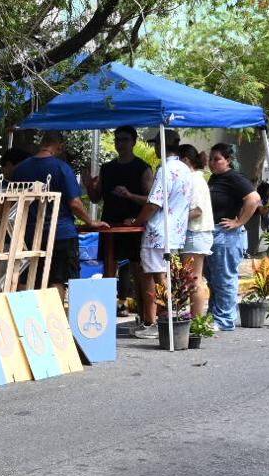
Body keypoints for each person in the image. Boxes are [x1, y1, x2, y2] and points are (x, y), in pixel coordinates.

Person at [10, 131, 107, 294]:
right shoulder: (62, 168)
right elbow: (75, 203)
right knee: (57, 280)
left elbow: (13, 201)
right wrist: (91, 221)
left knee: (28, 279)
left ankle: (29, 317)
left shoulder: (20, 169)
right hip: (60, 234)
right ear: (60, 146)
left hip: (29, 233)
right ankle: (55, 319)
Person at [128, 130, 192, 332]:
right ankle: (162, 319)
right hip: (175, 232)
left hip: (158, 232)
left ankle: (154, 321)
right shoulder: (184, 169)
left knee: (153, 276)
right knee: (162, 276)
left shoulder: (165, 169)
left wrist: (136, 221)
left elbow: (154, 203)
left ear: (159, 145)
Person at [85, 126, 154, 306]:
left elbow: (152, 200)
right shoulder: (107, 168)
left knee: (138, 270)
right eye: (117, 140)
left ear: (134, 142)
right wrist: (88, 186)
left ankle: (144, 316)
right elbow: (95, 198)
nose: (120, 144)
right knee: (109, 269)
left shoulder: (143, 168)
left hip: (134, 225)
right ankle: (107, 314)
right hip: (109, 225)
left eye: (124, 140)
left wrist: (130, 195)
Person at [206, 142, 261, 332]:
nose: (212, 163)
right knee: (213, 278)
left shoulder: (234, 178)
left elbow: (254, 199)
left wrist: (239, 222)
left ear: (228, 160)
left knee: (224, 278)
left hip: (227, 235)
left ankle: (224, 319)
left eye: (217, 159)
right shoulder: (214, 178)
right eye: (210, 159)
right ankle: (214, 314)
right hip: (214, 233)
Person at [176, 144, 212, 319]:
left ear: (185, 160)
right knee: (192, 279)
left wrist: (175, 218)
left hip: (195, 232)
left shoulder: (194, 180)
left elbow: (197, 210)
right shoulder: (197, 178)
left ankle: (197, 321)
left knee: (193, 279)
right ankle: (195, 318)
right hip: (196, 234)